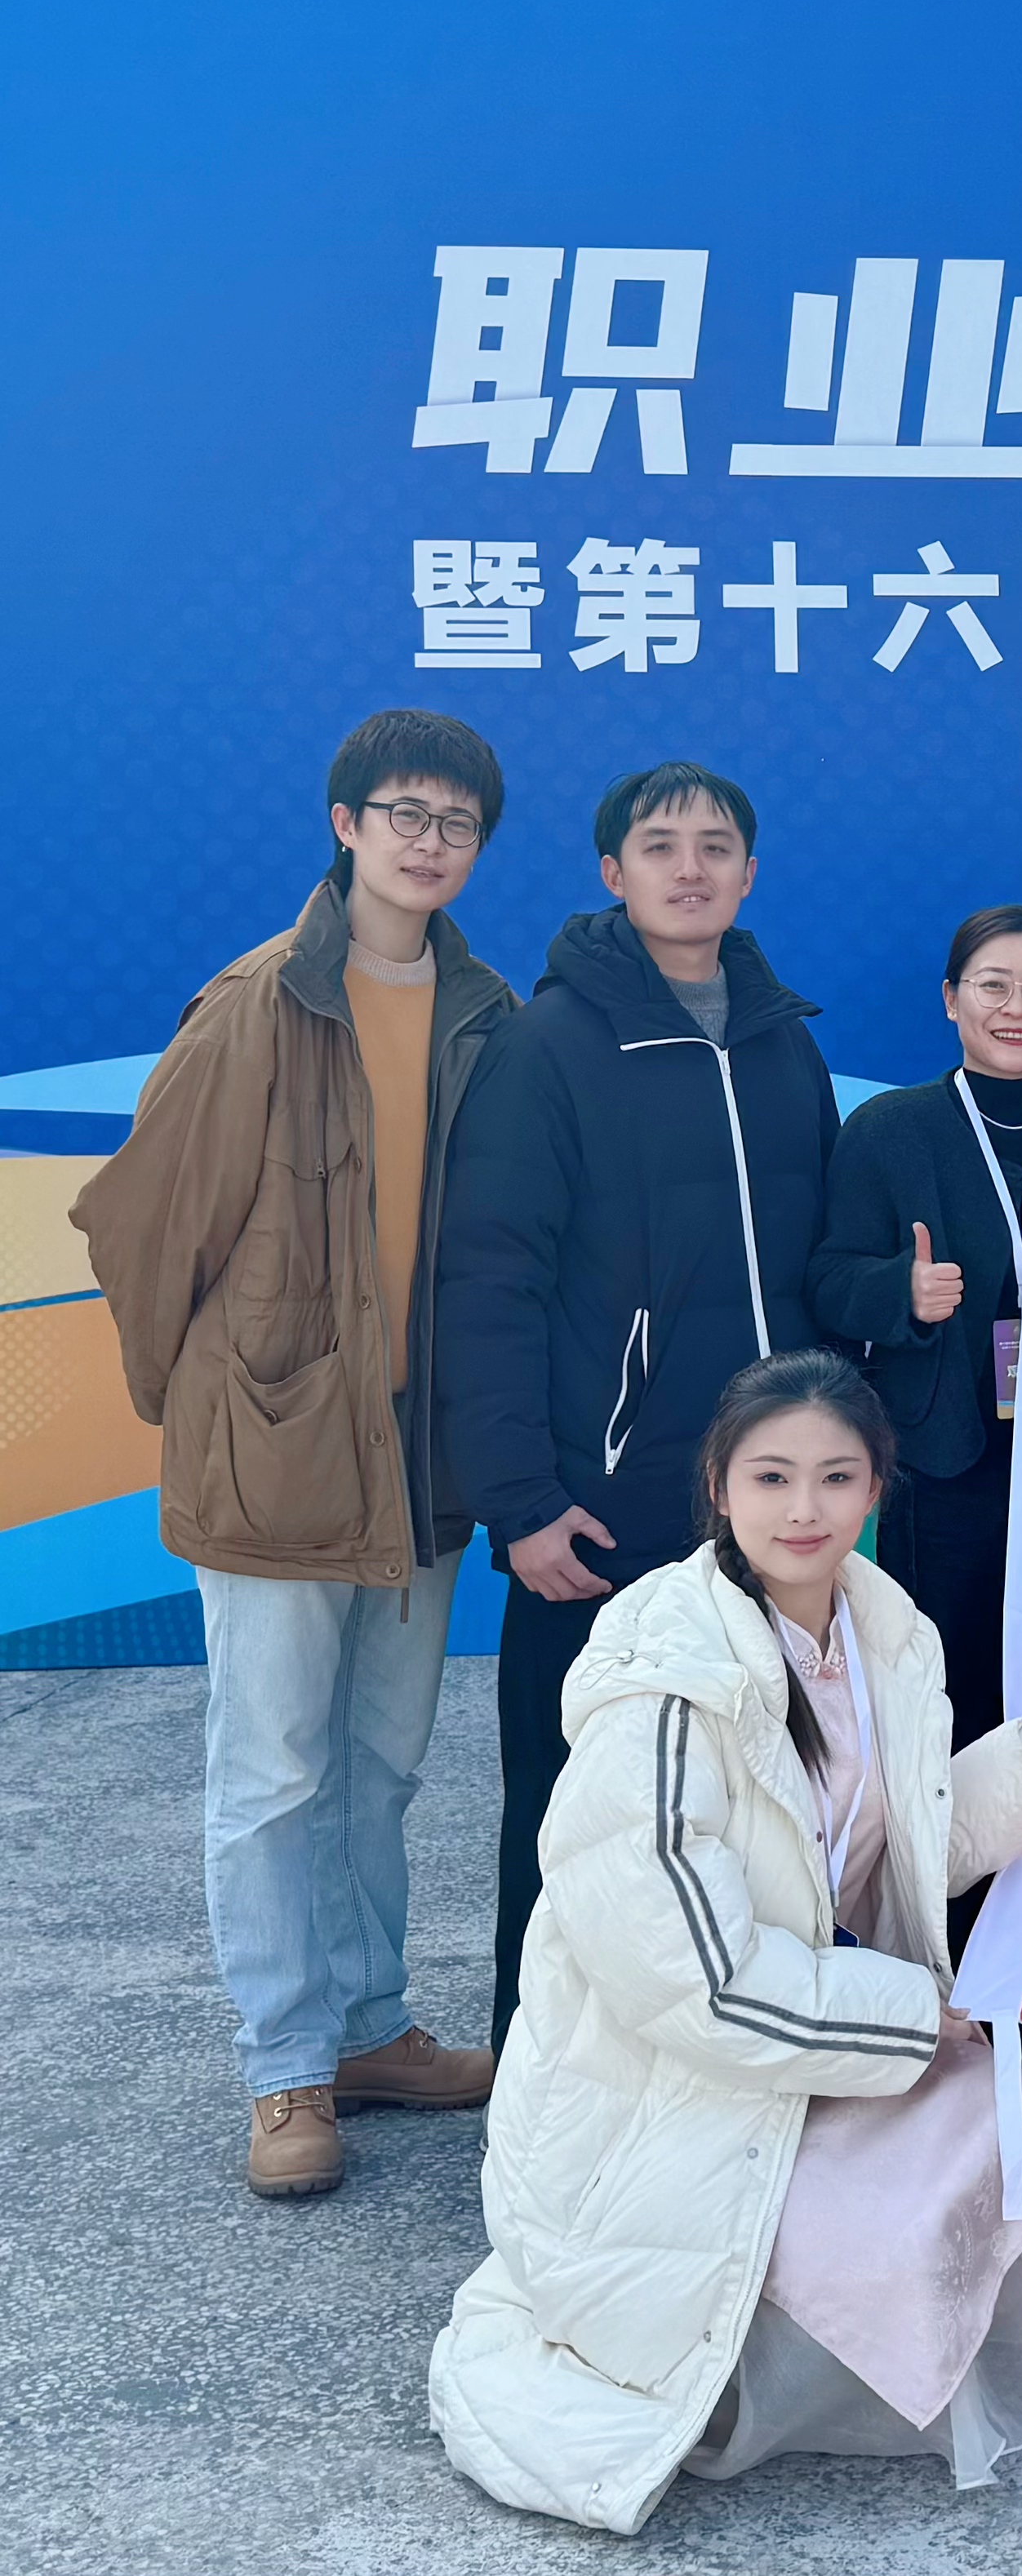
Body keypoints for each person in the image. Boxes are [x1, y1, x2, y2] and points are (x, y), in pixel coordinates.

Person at [429, 1352, 1022, 2529]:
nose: (803, 1509)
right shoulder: (665, 1678)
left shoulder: (880, 1630)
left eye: (835, 1477)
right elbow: (694, 1983)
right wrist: (912, 2019)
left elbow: (885, 1848)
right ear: (718, 1486)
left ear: (877, 1489)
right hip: (658, 2085)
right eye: (771, 1476)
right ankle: (769, 2344)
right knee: (910, 2148)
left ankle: (832, 2328)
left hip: (788, 2031)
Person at [72, 710, 518, 2199]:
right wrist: (212, 1402)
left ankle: (369, 2026)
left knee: (380, 1765)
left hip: (418, 1458)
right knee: (270, 1771)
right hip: (272, 1447)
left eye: (456, 822)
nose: (429, 841)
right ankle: (283, 2067)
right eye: (404, 812)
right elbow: (143, 1227)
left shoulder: (487, 1011)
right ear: (346, 824)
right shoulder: (260, 1001)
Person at [436, 762, 839, 2042]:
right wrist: (521, 1501)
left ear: (749, 874)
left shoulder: (783, 1043)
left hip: (771, 1508)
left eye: (716, 845)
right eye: (660, 845)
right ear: (613, 873)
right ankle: (542, 2075)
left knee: (766, 1801)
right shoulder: (548, 1044)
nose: (690, 866)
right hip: (606, 1504)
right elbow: (487, 1278)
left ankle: (746, 2075)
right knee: (579, 1807)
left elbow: (818, 1259)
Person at [810, 906, 1022, 2104]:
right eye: (995, 985)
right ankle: (956, 1986)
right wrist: (899, 1293)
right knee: (951, 1718)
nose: (1018, 1009)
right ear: (950, 998)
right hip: (946, 1467)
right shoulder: (890, 1129)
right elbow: (826, 1277)